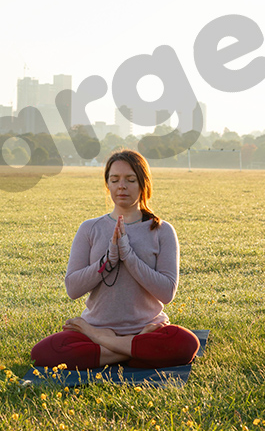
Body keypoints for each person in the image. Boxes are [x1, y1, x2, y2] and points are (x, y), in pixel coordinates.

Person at [31, 149, 200, 370]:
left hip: (148, 328)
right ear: (108, 184)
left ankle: (109, 348)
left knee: (186, 344)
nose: (122, 186)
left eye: (130, 180)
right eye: (115, 179)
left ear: (143, 184)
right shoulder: (90, 228)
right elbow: (73, 288)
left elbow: (166, 293)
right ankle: (134, 351)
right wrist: (108, 260)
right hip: (98, 327)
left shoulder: (162, 230)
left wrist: (129, 257)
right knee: (43, 352)